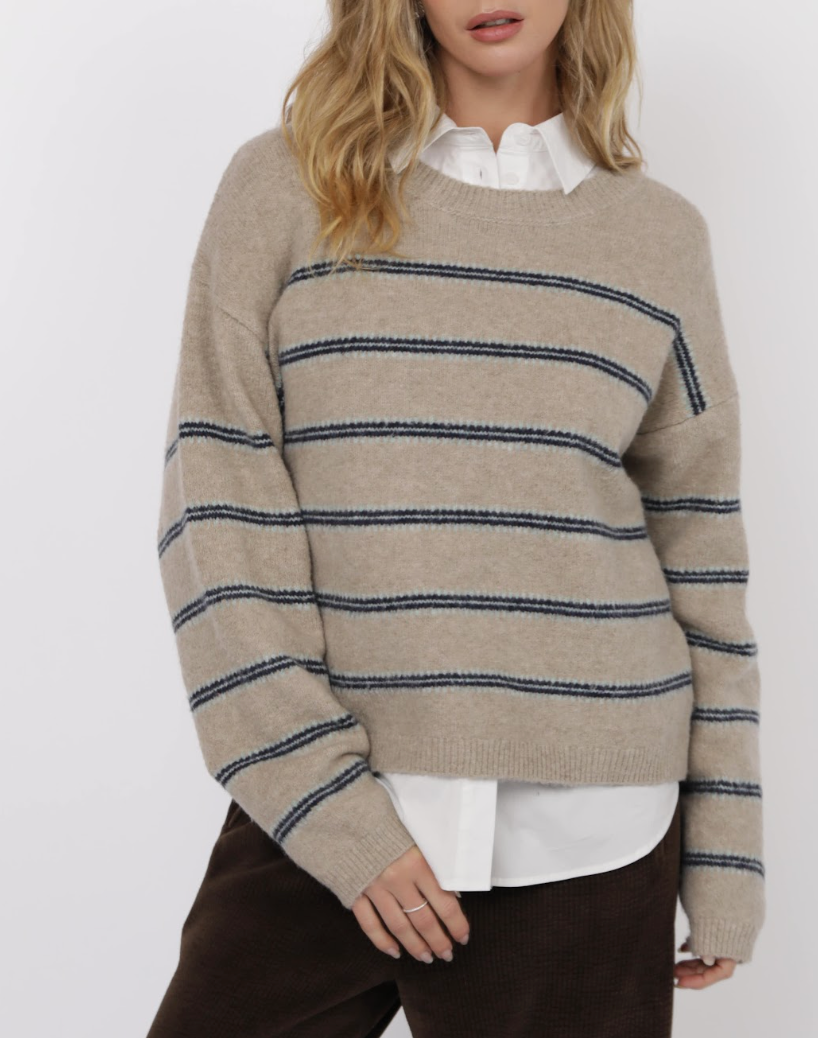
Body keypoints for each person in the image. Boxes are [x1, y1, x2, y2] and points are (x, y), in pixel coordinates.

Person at [147, 2, 765, 1035]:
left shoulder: (658, 237)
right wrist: (320, 799)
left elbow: (701, 551)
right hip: (319, 813)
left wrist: (726, 850)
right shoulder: (285, 188)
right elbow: (216, 505)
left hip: (588, 838)